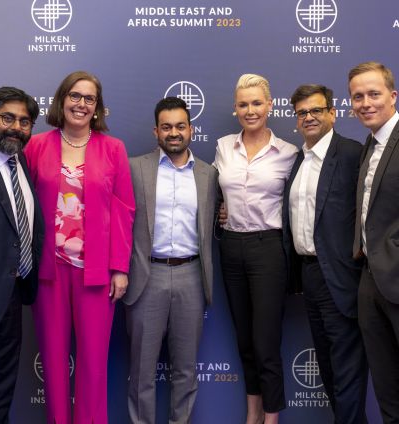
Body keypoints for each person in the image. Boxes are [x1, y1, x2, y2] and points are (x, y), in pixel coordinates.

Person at [24, 71, 135, 424]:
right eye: (75, 96)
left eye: (89, 99)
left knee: (92, 365)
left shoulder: (113, 148)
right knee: (54, 362)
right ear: (62, 100)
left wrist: (120, 267)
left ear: (98, 107)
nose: (81, 104)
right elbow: (22, 204)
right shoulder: (36, 146)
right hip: (47, 272)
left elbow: (124, 211)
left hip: (96, 272)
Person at [124, 97, 217, 424]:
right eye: (167, 127)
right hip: (147, 276)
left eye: (180, 126)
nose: (174, 133)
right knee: (142, 372)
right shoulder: (135, 168)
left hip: (192, 275)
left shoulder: (209, 174)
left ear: (191, 129)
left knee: (186, 371)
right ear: (156, 131)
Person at [213, 74, 298, 424]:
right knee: (245, 340)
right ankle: (252, 413)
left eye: (257, 103)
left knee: (266, 342)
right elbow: (214, 192)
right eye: (244, 104)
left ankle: (272, 417)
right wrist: (222, 210)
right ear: (235, 108)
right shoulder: (222, 147)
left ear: (270, 105)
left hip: (269, 250)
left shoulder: (289, 153)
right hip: (232, 248)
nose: (251, 110)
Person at [282, 84, 368, 424]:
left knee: (347, 370)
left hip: (342, 276)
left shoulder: (350, 154)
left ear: (332, 113)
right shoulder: (297, 160)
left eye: (316, 110)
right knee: (331, 369)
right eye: (302, 112)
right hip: (309, 276)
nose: (309, 117)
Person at [0, 87, 44, 423]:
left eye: (25, 122)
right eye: (8, 118)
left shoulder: (20, 164)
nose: (17, 127)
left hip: (13, 296)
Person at [349, 61, 399, 423]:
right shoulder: (371, 143)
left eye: (374, 94)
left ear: (393, 96)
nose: (365, 102)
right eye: (357, 96)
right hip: (370, 280)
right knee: (386, 386)